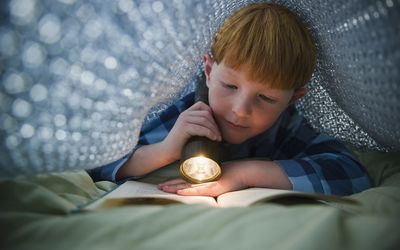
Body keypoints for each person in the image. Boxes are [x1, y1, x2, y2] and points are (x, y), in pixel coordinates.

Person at [88, 3, 371, 197]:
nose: (240, 110)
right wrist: (165, 149)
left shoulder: (287, 126)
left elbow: (351, 172)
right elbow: (96, 160)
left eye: (266, 97)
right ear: (209, 71)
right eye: (230, 85)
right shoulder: (188, 112)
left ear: (293, 99)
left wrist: (247, 173)